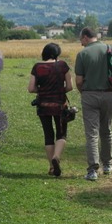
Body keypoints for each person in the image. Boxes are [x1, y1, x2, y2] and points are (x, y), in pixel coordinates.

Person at [74, 27, 112, 181]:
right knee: (106, 130)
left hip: (89, 95)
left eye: (81, 40)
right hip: (109, 94)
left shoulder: (82, 54)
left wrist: (84, 92)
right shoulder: (111, 49)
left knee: (91, 134)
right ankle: (108, 164)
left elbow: (78, 81)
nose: (81, 43)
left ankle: (92, 170)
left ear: (86, 37)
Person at [29, 42, 73, 177]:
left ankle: (51, 167)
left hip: (43, 105)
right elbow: (70, 87)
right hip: (59, 105)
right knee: (61, 134)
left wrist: (42, 91)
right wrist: (59, 90)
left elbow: (31, 88)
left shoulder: (37, 67)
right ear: (57, 54)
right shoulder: (63, 65)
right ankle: (56, 157)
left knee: (48, 135)